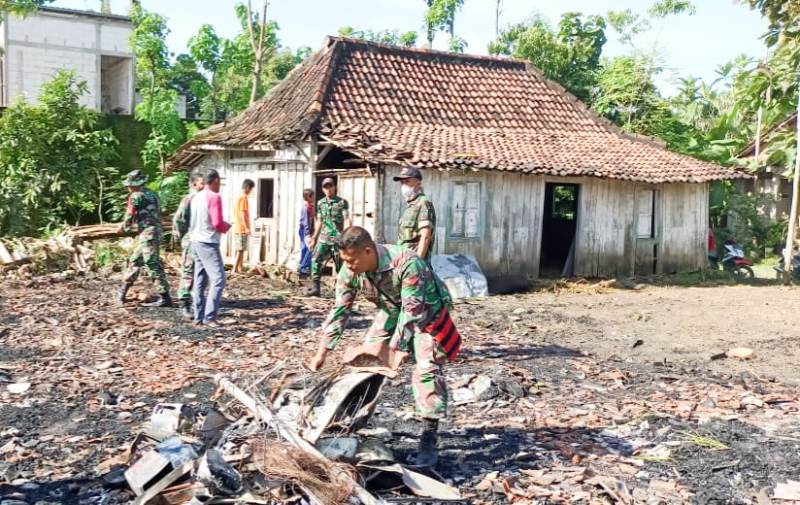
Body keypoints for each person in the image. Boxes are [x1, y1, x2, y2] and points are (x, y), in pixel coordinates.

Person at [307, 226, 460, 467]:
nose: (348, 266)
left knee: (426, 368)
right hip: (391, 309)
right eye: (344, 261)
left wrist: (396, 350)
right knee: (366, 359)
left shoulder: (408, 263)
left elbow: (412, 312)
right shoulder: (349, 271)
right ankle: (351, 422)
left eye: (352, 260)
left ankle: (429, 437)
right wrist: (322, 352)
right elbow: (340, 311)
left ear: (368, 251)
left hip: (427, 312)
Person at [118, 169, 172, 307]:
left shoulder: (136, 196)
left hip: (148, 234)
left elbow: (130, 215)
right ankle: (122, 293)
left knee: (152, 263)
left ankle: (165, 297)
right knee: (135, 260)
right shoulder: (153, 194)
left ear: (135, 184)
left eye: (129, 184)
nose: (128, 187)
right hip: (155, 232)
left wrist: (123, 228)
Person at [189, 169, 231, 326]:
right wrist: (226, 226)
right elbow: (217, 223)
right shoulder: (214, 197)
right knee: (218, 279)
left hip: (195, 240)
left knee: (200, 279)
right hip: (208, 241)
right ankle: (210, 317)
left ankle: (198, 316)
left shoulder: (196, 197)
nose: (220, 185)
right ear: (215, 181)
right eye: (219, 182)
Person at [307, 178, 350, 296]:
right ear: (323, 189)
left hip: (338, 239)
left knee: (340, 265)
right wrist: (314, 238)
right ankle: (316, 288)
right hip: (324, 238)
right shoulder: (320, 203)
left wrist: (346, 236)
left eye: (330, 186)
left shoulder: (342, 203)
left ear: (334, 187)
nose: (328, 189)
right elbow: (319, 221)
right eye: (326, 187)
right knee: (315, 260)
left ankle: (343, 291)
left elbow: (346, 219)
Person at [173, 170, 205, 319]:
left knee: (202, 272)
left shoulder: (207, 199)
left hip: (204, 240)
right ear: (194, 184)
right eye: (201, 183)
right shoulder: (189, 199)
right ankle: (184, 302)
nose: (204, 185)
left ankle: (197, 301)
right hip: (191, 239)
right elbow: (178, 220)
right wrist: (182, 238)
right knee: (189, 270)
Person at [394, 166, 436, 263]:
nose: (403, 185)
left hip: (414, 264)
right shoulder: (411, 205)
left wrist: (417, 263)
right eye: (402, 182)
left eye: (407, 181)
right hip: (404, 262)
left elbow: (425, 237)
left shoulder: (423, 204)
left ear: (418, 183)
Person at [233, 179, 255, 274]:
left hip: (239, 227)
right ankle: (234, 269)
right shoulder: (243, 197)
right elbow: (242, 213)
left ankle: (240, 268)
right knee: (240, 250)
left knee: (241, 249)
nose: (251, 191)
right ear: (247, 188)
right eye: (251, 189)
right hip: (241, 228)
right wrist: (246, 227)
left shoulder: (239, 197)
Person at [298, 188, 315, 277]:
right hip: (304, 231)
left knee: (304, 249)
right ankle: (303, 268)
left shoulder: (310, 207)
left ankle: (301, 267)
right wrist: (308, 234)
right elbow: (305, 222)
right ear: (308, 197)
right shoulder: (306, 208)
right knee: (310, 249)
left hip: (306, 230)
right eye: (312, 196)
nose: (313, 198)